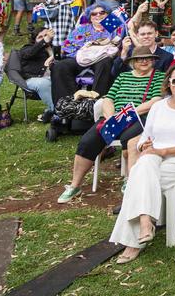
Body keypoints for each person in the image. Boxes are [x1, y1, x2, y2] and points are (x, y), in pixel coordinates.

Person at [110, 63, 175, 263]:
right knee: (144, 167)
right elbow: (146, 136)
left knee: (138, 175)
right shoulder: (158, 106)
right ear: (169, 82)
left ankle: (135, 240)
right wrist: (145, 145)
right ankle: (145, 223)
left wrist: (163, 150)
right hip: (154, 157)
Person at [57, 46, 165, 204]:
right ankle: (75, 185)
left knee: (130, 139)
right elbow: (109, 99)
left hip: (140, 117)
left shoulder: (159, 77)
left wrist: (129, 113)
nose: (144, 61)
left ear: (153, 61)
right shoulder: (122, 77)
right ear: (132, 62)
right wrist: (110, 116)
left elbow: (155, 101)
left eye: (148, 58)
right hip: (114, 117)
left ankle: (130, 180)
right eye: (140, 59)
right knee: (88, 141)